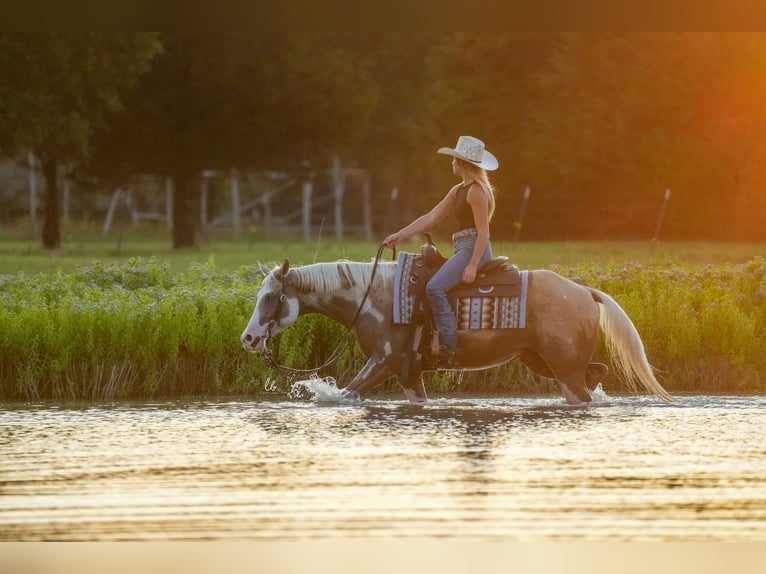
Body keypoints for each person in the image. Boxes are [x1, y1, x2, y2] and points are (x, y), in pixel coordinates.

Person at [383, 135, 499, 368]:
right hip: (463, 247)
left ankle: (448, 346)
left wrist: (472, 265)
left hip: (474, 247)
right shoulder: (459, 190)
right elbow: (431, 217)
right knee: (435, 283)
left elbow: (483, 234)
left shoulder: (476, 192)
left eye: (454, 159)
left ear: (463, 163)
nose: (451, 163)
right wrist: (400, 235)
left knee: (434, 287)